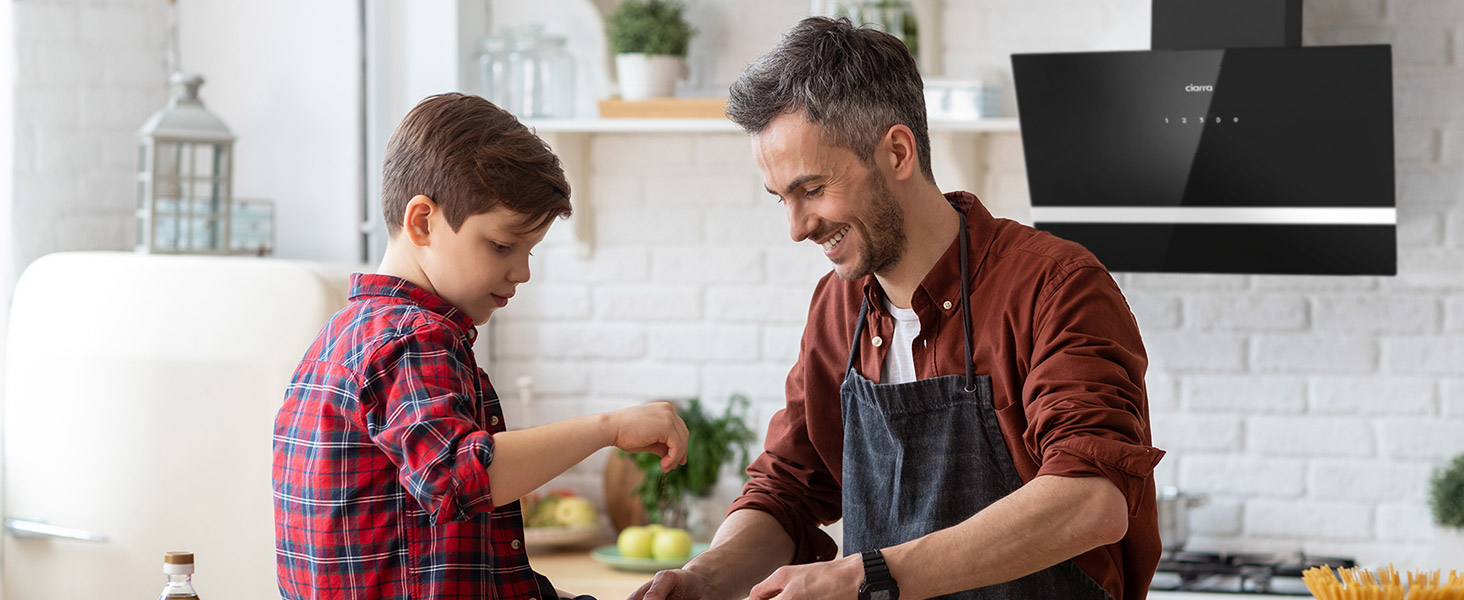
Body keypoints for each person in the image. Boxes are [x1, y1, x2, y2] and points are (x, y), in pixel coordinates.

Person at [630, 17, 1164, 600]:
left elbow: (1091, 499)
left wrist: (865, 576)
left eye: (812, 189)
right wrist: (702, 580)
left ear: (898, 151)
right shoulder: (839, 305)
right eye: (781, 198)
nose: (797, 227)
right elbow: (786, 492)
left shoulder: (1055, 285)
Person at [272, 93, 690, 600]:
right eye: (501, 245)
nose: (523, 272)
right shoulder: (415, 338)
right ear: (422, 222)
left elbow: (453, 562)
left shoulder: (341, 335)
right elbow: (456, 476)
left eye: (529, 250)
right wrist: (610, 427)